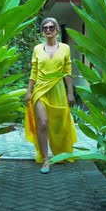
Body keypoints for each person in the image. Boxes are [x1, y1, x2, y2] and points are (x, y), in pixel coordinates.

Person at [24, 17, 78, 174]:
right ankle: (45, 159)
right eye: (45, 28)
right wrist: (29, 91)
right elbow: (34, 71)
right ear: (42, 31)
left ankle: (61, 153)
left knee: (58, 124)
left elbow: (68, 71)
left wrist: (70, 92)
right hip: (40, 89)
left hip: (58, 89)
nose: (48, 30)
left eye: (51, 27)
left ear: (57, 30)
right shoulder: (37, 49)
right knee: (42, 122)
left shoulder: (65, 48)